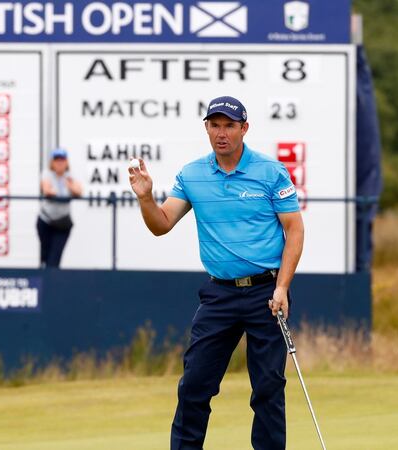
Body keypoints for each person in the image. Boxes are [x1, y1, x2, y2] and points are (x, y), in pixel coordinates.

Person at [128, 96, 304, 450]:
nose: (221, 133)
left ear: (244, 128)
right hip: (219, 294)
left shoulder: (270, 171)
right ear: (206, 128)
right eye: (214, 125)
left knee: (268, 387)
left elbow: (294, 231)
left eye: (229, 125)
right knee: (195, 384)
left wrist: (282, 288)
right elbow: (161, 225)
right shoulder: (192, 174)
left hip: (265, 293)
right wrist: (146, 198)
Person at [37, 148, 82, 267]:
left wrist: (69, 186)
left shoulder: (70, 176)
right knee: (44, 257)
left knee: (54, 258)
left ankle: (51, 282)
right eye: (56, 159)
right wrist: (59, 192)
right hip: (46, 221)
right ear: (52, 162)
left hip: (62, 224)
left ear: (66, 161)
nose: (59, 162)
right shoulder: (47, 173)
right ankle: (45, 281)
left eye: (62, 159)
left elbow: (78, 191)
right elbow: (47, 190)